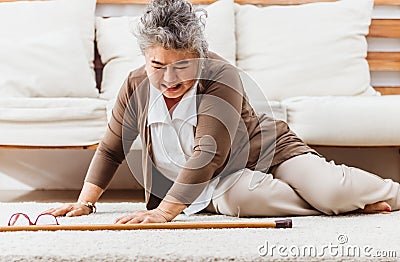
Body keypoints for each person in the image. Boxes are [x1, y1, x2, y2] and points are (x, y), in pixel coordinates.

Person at [45, 0, 399, 223]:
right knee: (242, 200)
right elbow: (111, 148)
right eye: (158, 65)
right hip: (220, 182)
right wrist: (85, 204)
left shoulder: (221, 76)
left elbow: (208, 151)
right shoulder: (136, 84)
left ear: (199, 55)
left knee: (332, 190)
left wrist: (165, 213)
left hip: (268, 151)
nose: (169, 79)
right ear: (145, 57)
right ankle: (337, 206)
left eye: (182, 66)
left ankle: (372, 195)